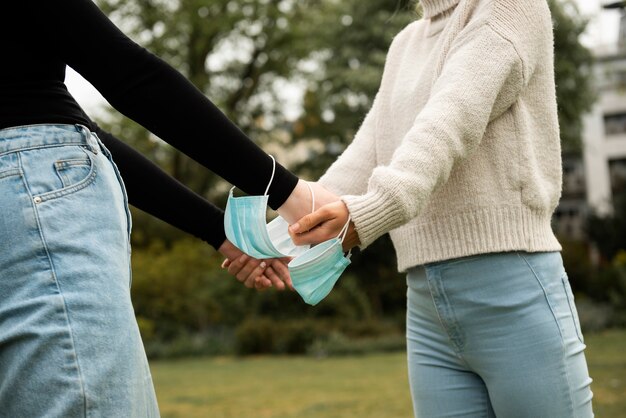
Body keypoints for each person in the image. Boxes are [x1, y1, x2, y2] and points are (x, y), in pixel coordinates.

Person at [0, 1, 336, 416]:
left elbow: (66, 125)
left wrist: (218, 230)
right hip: (27, 197)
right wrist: (290, 194)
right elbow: (128, 75)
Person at [287, 0, 595, 416]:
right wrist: (282, 236)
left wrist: (373, 211)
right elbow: (367, 156)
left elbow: (452, 119)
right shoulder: (405, 44)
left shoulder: (511, 5)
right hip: (427, 306)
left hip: (513, 291)